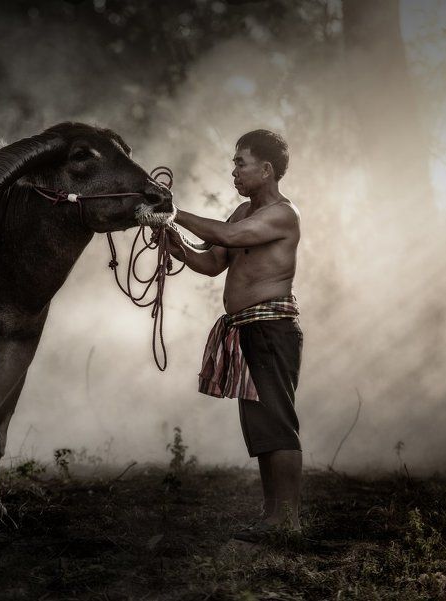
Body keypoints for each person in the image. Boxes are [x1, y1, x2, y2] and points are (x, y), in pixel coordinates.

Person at [166, 129, 303, 541]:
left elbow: (225, 239)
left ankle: (289, 521)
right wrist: (175, 243)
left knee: (277, 422)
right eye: (233, 163)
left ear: (266, 169)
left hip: (271, 328)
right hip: (246, 331)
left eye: (240, 163)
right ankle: (272, 516)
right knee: (261, 425)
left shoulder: (282, 214)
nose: (234, 171)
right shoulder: (242, 213)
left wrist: (172, 212)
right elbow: (212, 262)